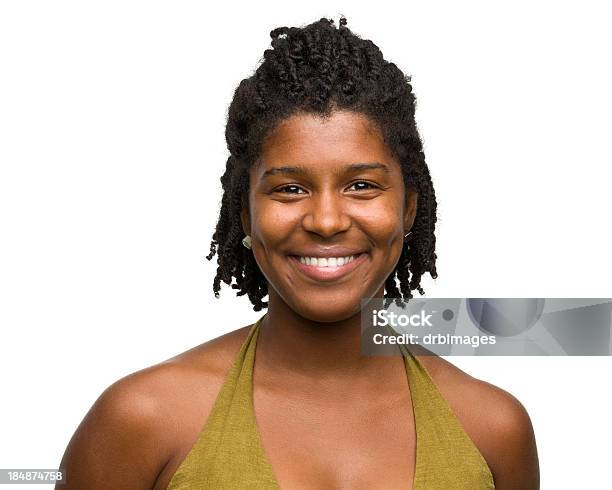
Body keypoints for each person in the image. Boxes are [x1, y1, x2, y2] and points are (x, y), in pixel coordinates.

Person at [58, 17, 539, 489]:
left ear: (410, 208)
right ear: (245, 214)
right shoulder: (143, 420)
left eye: (361, 185)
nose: (326, 221)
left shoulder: (492, 430)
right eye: (289, 188)